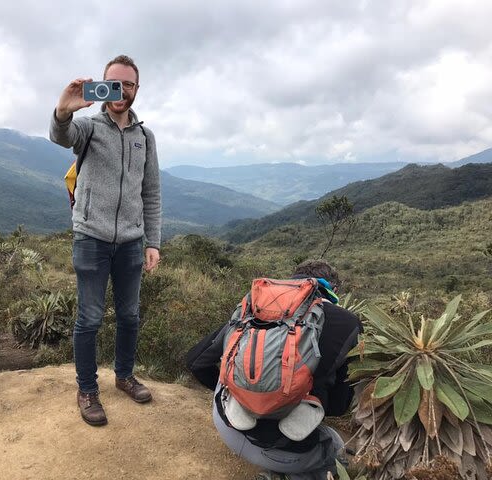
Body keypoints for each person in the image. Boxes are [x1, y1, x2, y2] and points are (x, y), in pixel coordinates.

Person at [49, 55, 162, 426]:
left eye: (128, 85)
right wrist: (63, 110)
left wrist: (153, 242)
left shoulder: (145, 137)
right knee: (90, 318)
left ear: (136, 89)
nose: (121, 91)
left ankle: (124, 375)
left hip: (131, 242)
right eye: (114, 83)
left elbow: (151, 193)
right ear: (102, 85)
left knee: (130, 315)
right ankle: (87, 389)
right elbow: (61, 135)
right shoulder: (89, 128)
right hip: (91, 238)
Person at [186, 260, 362, 480]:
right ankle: (284, 473)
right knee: (334, 444)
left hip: (228, 429)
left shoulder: (256, 304)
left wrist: (242, 391)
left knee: (230, 373)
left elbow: (196, 361)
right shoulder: (348, 323)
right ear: (334, 290)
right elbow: (338, 406)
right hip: (288, 452)